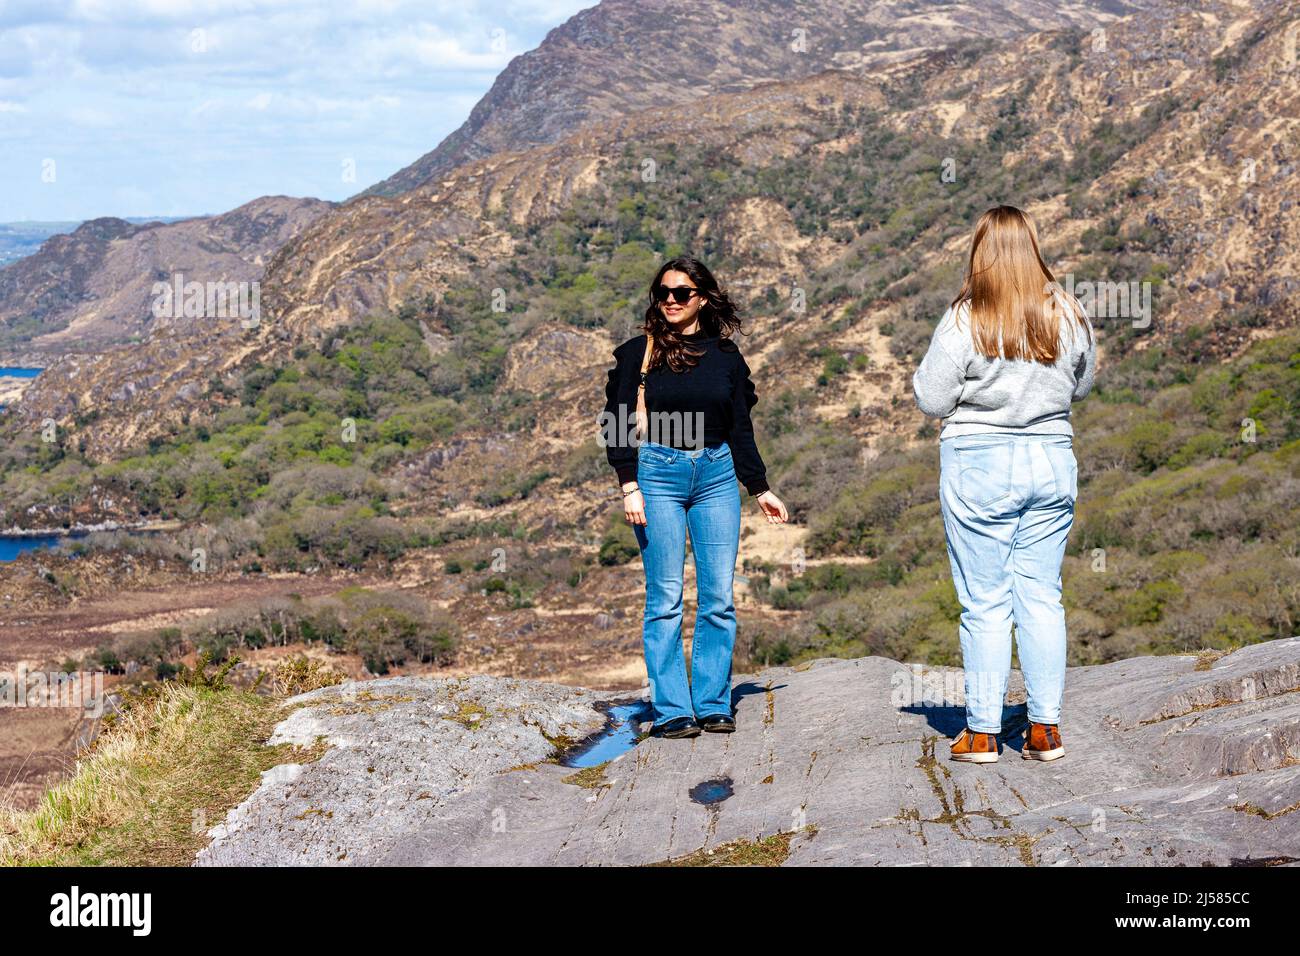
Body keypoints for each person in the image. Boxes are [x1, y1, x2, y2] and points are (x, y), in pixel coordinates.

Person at [912, 205, 1096, 764]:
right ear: (1034, 247)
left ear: (981, 252)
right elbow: (1082, 384)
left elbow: (932, 398)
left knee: (985, 601)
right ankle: (1044, 730)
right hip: (1050, 456)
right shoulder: (1067, 310)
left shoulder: (967, 317)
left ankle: (984, 732)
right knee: (1041, 595)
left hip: (980, 463)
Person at [601, 256, 788, 738]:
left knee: (719, 598)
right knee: (664, 598)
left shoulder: (726, 357)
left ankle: (711, 702)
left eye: (681, 293)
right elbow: (616, 423)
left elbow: (740, 427)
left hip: (717, 475)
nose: (670, 300)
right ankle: (671, 710)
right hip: (657, 474)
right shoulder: (637, 353)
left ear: (702, 297)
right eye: (662, 292)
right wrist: (629, 485)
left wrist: (759, 486)